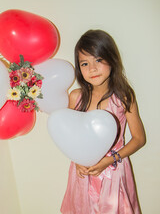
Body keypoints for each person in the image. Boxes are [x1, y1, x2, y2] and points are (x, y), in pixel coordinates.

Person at [60, 30, 146, 214]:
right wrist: (77, 161)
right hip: (83, 172)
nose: (92, 68)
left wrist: (110, 160)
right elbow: (69, 137)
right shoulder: (76, 97)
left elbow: (139, 139)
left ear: (111, 59)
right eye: (85, 63)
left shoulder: (123, 97)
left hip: (113, 170)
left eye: (98, 60)